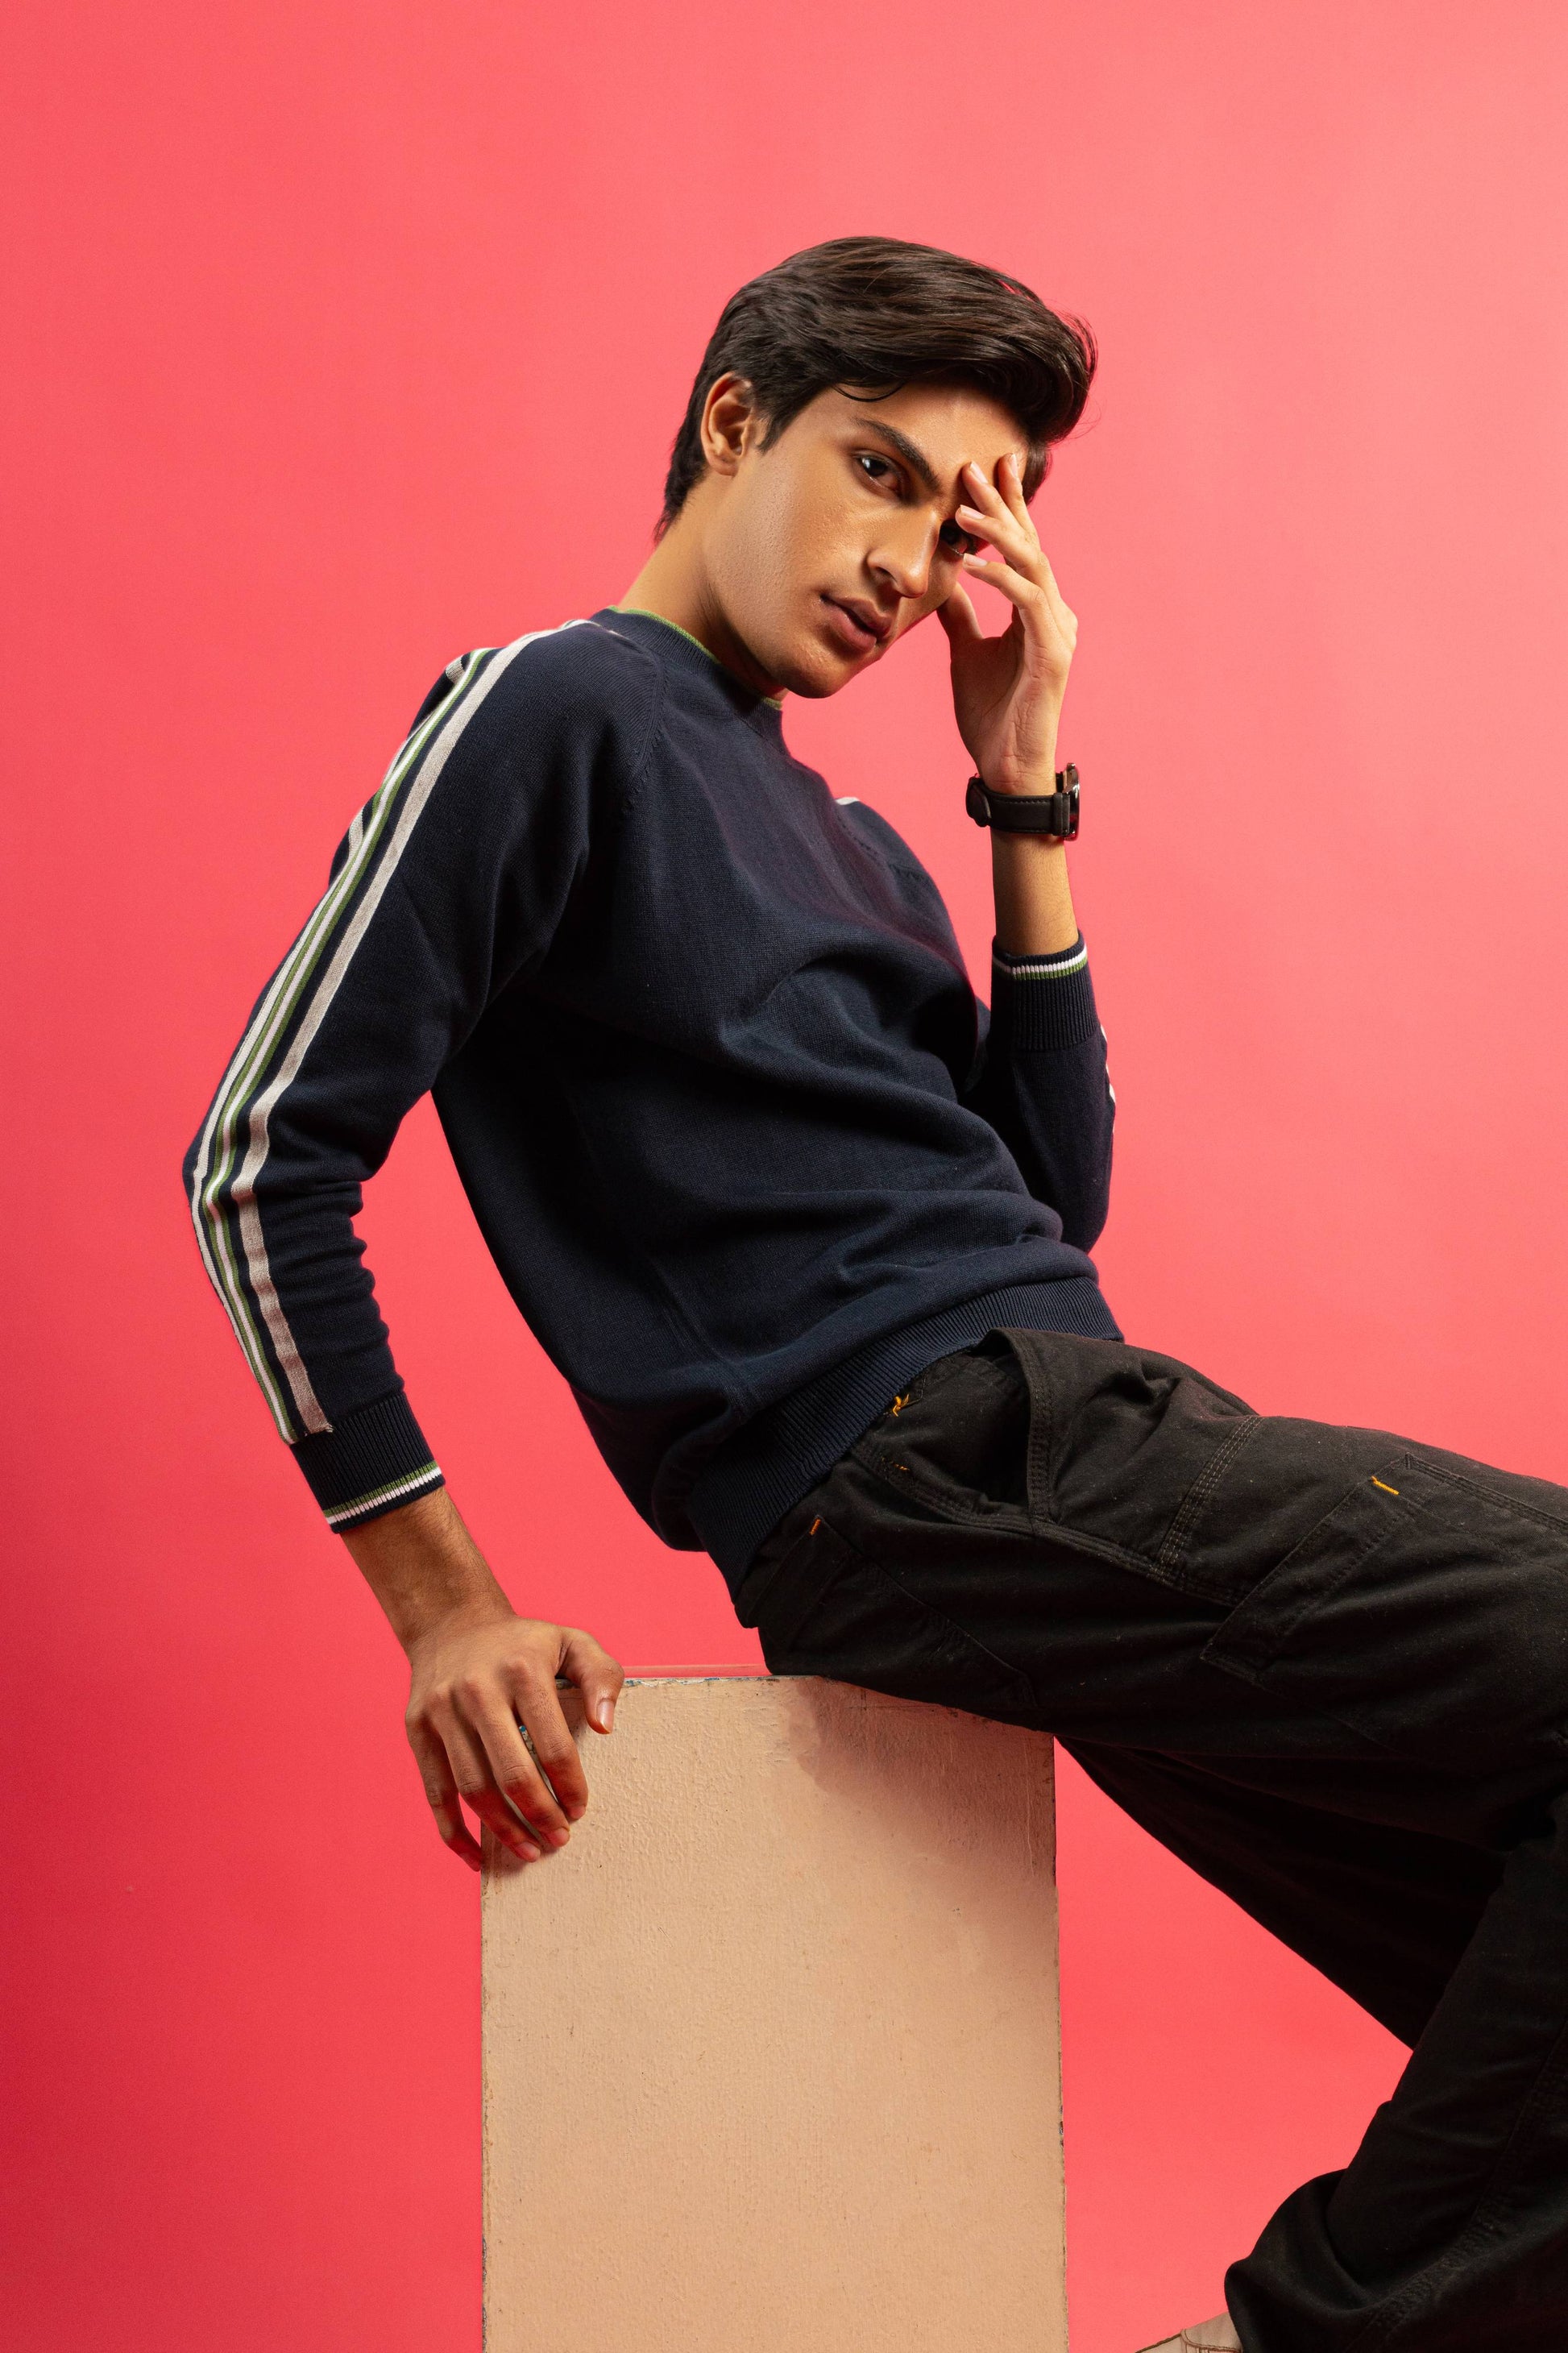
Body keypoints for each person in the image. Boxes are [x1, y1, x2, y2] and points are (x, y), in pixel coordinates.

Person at [185, 236, 1568, 2353]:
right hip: (937, 1463)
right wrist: (444, 1607)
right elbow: (258, 1156)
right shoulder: (555, 706)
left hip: (1074, 1446)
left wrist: (1020, 781)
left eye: (960, 519)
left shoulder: (855, 839)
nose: (908, 562)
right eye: (881, 472)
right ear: (734, 417)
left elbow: (1049, 1206)